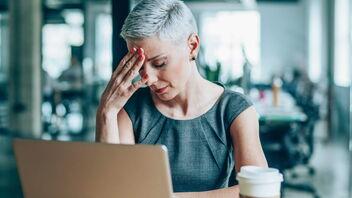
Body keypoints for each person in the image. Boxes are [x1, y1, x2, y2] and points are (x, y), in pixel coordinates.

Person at [96, 0, 267, 197]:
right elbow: (112, 190)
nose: (147, 78)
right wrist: (106, 112)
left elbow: (259, 190)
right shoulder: (131, 109)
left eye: (159, 63)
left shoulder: (235, 110)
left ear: (192, 46)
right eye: (139, 66)